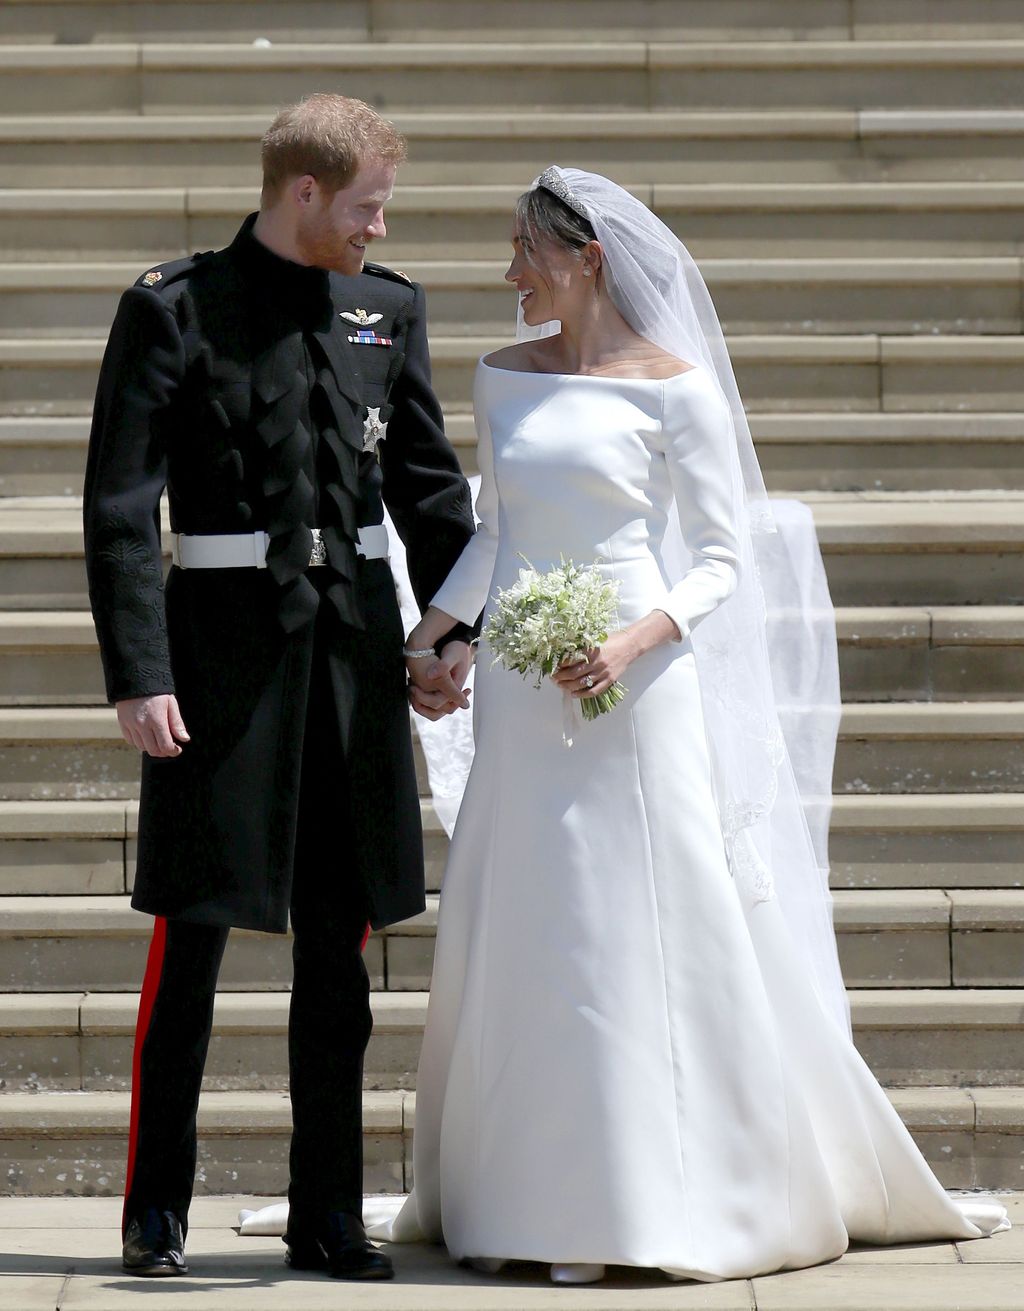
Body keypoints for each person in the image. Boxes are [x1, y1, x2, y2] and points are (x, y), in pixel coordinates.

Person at [387, 167, 1011, 1282]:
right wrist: (434, 634)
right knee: (530, 922)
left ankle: (668, 1195)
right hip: (526, 703)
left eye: (522, 249)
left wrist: (629, 643)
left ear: (584, 259)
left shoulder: (677, 390)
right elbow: (495, 530)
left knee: (638, 920)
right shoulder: (498, 377)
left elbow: (724, 558)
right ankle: (527, 1194)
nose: (506, 270)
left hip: (636, 687)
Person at [83, 93, 476, 1281]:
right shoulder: (172, 309)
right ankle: (155, 1211)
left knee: (336, 952)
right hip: (216, 664)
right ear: (302, 192)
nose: (380, 224)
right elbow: (118, 507)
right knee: (190, 943)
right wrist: (138, 675)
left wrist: (452, 635)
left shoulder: (385, 308)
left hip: (351, 661)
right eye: (365, 206)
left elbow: (426, 487)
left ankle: (327, 1214)